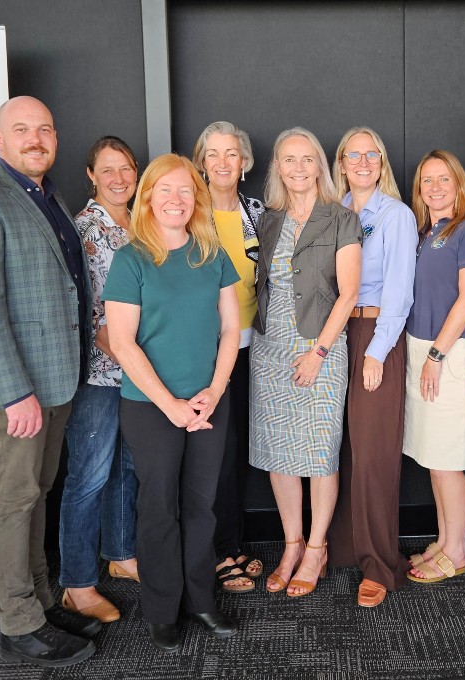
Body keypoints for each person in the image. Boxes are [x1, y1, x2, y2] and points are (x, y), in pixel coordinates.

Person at [0, 96, 98, 667]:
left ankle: (40, 602)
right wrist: (14, 393)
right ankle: (18, 623)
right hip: (15, 390)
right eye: (22, 129)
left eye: (45, 128)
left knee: (38, 493)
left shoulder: (48, 196)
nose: (36, 138)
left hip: (54, 379)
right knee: (13, 501)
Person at [105, 153, 241, 650]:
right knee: (159, 507)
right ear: (148, 198)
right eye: (165, 190)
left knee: (201, 505)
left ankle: (201, 601)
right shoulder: (131, 258)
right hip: (151, 407)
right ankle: (163, 610)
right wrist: (172, 406)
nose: (176, 200)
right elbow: (122, 343)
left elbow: (231, 328)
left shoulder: (212, 253)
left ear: (196, 199)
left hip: (209, 401)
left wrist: (215, 392)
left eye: (185, 190)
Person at [249, 127, 362, 598]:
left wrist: (318, 352)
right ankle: (292, 543)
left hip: (321, 348)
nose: (298, 168)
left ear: (320, 166)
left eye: (307, 159)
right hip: (270, 349)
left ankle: (316, 548)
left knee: (318, 452)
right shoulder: (269, 220)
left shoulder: (340, 218)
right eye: (288, 160)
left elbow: (349, 291)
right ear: (277, 167)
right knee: (279, 451)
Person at [327, 126, 417, 607]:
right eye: (353, 155)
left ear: (381, 162)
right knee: (341, 447)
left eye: (372, 154)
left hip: (375, 334)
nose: (362, 162)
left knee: (376, 453)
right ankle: (345, 549)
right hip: (334, 334)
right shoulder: (333, 212)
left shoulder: (396, 216)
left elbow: (400, 293)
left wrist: (377, 352)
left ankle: (380, 565)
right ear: (340, 163)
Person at [58, 136, 140, 625]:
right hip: (101, 373)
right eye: (107, 170)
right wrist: (143, 370)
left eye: (126, 168)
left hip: (139, 374)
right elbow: (93, 317)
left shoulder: (142, 223)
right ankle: (77, 584)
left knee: (127, 468)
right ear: (91, 175)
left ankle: (123, 554)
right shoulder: (84, 231)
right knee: (88, 476)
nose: (118, 178)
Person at [404, 150, 465, 584]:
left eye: (444, 180)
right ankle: (443, 539)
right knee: (434, 459)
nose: (435, 188)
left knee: (447, 462)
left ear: (458, 184)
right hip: (422, 351)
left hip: (448, 355)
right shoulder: (426, 231)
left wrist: (437, 355)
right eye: (427, 181)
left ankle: (455, 552)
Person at [191, 121, 266, 594]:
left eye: (231, 154)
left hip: (248, 348)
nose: (222, 163)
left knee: (235, 451)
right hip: (202, 351)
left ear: (245, 162)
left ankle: (232, 541)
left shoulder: (256, 212)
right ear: (201, 161)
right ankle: (216, 552)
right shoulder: (186, 212)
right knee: (209, 455)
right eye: (213, 154)